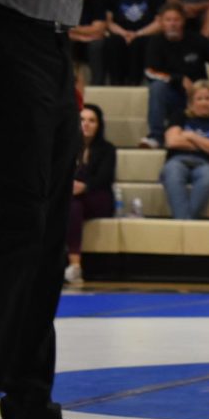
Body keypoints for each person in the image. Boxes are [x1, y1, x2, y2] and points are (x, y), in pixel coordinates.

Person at [0, 0, 122, 419]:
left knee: (46, 238)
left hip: (52, 43)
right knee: (14, 231)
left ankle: (29, 413)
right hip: (6, 32)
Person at [140, 2, 209, 149]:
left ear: (183, 21)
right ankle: (156, 136)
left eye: (176, 20)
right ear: (161, 22)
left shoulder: (196, 40)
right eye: (168, 20)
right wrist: (178, 79)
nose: (172, 24)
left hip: (199, 98)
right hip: (171, 96)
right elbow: (150, 72)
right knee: (157, 88)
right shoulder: (155, 42)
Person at [160, 80, 209, 219]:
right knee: (172, 172)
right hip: (178, 161)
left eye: (208, 98)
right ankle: (187, 224)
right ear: (191, 102)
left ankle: (182, 225)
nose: (204, 103)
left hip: (207, 165)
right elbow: (172, 141)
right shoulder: (180, 116)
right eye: (199, 99)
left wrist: (191, 136)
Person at [65, 105, 117, 285]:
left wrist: (85, 187)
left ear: (99, 125)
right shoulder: (67, 148)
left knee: (73, 202)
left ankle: (73, 264)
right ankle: (75, 266)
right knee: (73, 205)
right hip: (74, 199)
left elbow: (105, 178)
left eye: (91, 120)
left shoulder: (107, 149)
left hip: (99, 197)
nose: (86, 124)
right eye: (82, 119)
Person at [102, 0, 167, 86]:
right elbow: (108, 21)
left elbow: (160, 21)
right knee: (113, 42)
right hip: (121, 33)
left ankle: (134, 84)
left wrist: (137, 34)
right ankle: (116, 84)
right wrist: (124, 33)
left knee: (139, 43)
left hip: (146, 34)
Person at [70, 0, 109, 86]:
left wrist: (73, 29)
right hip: (72, 40)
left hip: (91, 41)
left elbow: (99, 29)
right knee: (61, 41)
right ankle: (67, 85)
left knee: (98, 45)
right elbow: (58, 28)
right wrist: (82, 35)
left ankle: (97, 85)